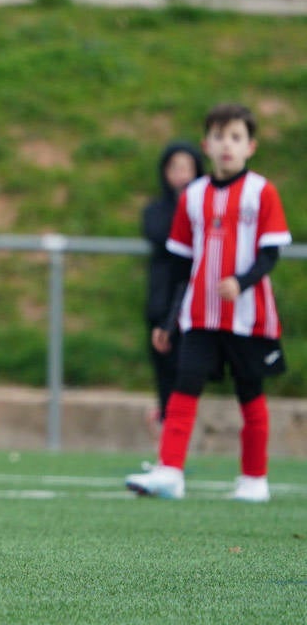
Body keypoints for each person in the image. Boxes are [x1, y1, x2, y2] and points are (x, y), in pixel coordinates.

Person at [126, 104, 290, 503]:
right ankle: (170, 471)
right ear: (207, 145)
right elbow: (182, 264)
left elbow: (270, 254)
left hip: (248, 318)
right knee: (184, 386)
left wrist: (241, 281)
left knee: (249, 392)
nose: (226, 145)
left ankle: (254, 478)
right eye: (219, 137)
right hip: (199, 315)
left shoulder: (261, 191)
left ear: (250, 145)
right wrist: (168, 320)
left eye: (235, 137)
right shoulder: (193, 197)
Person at [140, 141, 204, 440]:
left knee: (188, 374)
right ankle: (168, 440)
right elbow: (163, 236)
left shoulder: (207, 208)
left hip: (197, 302)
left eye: (187, 168)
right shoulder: (157, 211)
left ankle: (177, 439)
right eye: (175, 168)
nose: (182, 175)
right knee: (165, 372)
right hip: (164, 300)